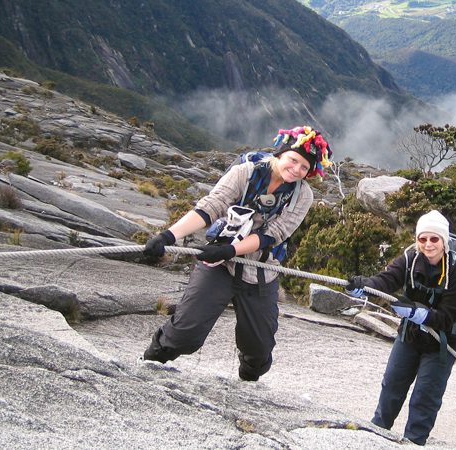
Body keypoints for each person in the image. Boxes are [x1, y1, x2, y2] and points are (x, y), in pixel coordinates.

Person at [141, 126, 332, 382]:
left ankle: (247, 384)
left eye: (304, 168)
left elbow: (273, 234)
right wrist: (168, 236)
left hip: (260, 271)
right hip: (219, 265)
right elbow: (211, 207)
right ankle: (149, 363)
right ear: (280, 154)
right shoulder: (245, 173)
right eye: (293, 160)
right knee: (185, 333)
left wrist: (231, 249)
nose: (296, 170)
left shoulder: (302, 196)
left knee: (259, 348)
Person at [346, 210, 456, 445]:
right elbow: (386, 280)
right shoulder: (409, 260)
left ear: (444, 241)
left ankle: (414, 443)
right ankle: (377, 435)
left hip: (441, 345)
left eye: (434, 239)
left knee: (425, 397)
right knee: (392, 384)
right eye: (422, 239)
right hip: (410, 335)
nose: (428, 244)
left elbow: (448, 317)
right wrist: (364, 286)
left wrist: (418, 313)